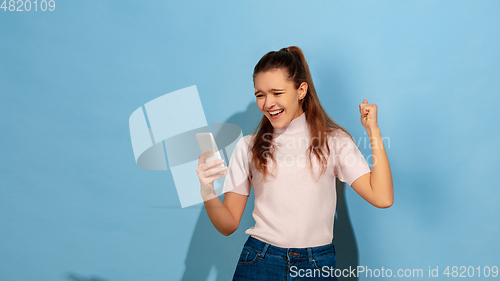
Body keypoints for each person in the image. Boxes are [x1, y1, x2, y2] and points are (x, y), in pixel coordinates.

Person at [196, 46, 394, 280]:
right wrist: (207, 191)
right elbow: (228, 224)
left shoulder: (334, 141)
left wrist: (373, 130)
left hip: (317, 264)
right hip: (259, 261)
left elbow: (382, 197)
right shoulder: (248, 147)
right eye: (260, 94)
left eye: (277, 93)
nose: (268, 103)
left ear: (301, 91)